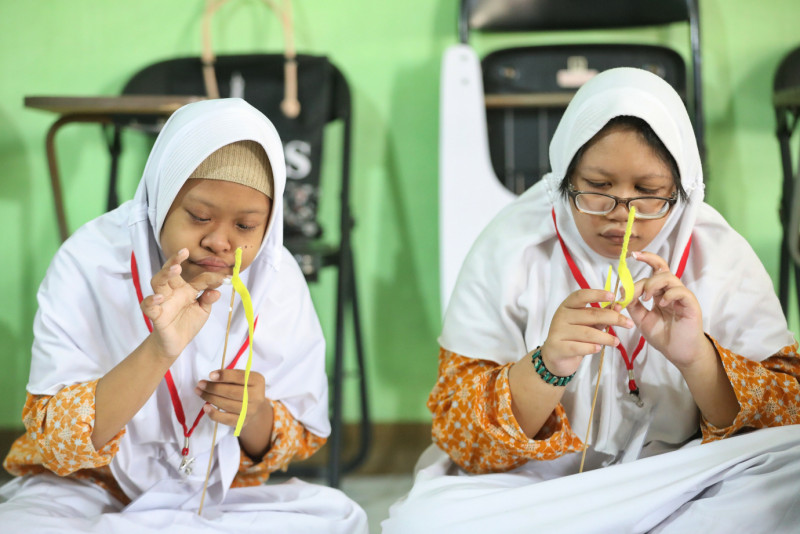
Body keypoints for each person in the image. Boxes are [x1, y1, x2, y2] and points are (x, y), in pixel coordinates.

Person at [383, 68, 800, 533]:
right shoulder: (511, 247)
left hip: (681, 475)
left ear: (681, 189)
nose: (621, 215)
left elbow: (786, 416)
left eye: (648, 193)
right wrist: (547, 366)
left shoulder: (720, 255)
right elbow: (460, 435)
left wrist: (697, 358)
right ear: (564, 178)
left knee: (792, 473)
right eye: (597, 187)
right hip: (538, 485)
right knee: (424, 522)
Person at [0, 98, 367, 533]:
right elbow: (59, 445)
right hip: (88, 489)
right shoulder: (89, 261)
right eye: (199, 216)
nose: (220, 242)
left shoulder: (276, 277)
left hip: (220, 491)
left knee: (339, 517)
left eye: (246, 226)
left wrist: (252, 413)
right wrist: (160, 350)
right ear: (161, 196)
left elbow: (293, 440)